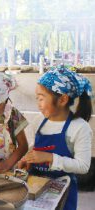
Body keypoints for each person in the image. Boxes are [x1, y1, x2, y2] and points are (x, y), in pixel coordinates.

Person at [19, 65, 93, 210]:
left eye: (41, 99)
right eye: (37, 98)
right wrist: (27, 158)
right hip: (35, 185)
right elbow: (36, 147)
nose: (38, 104)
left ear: (63, 99)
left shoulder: (79, 127)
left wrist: (50, 157)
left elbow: (83, 166)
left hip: (63, 191)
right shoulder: (39, 121)